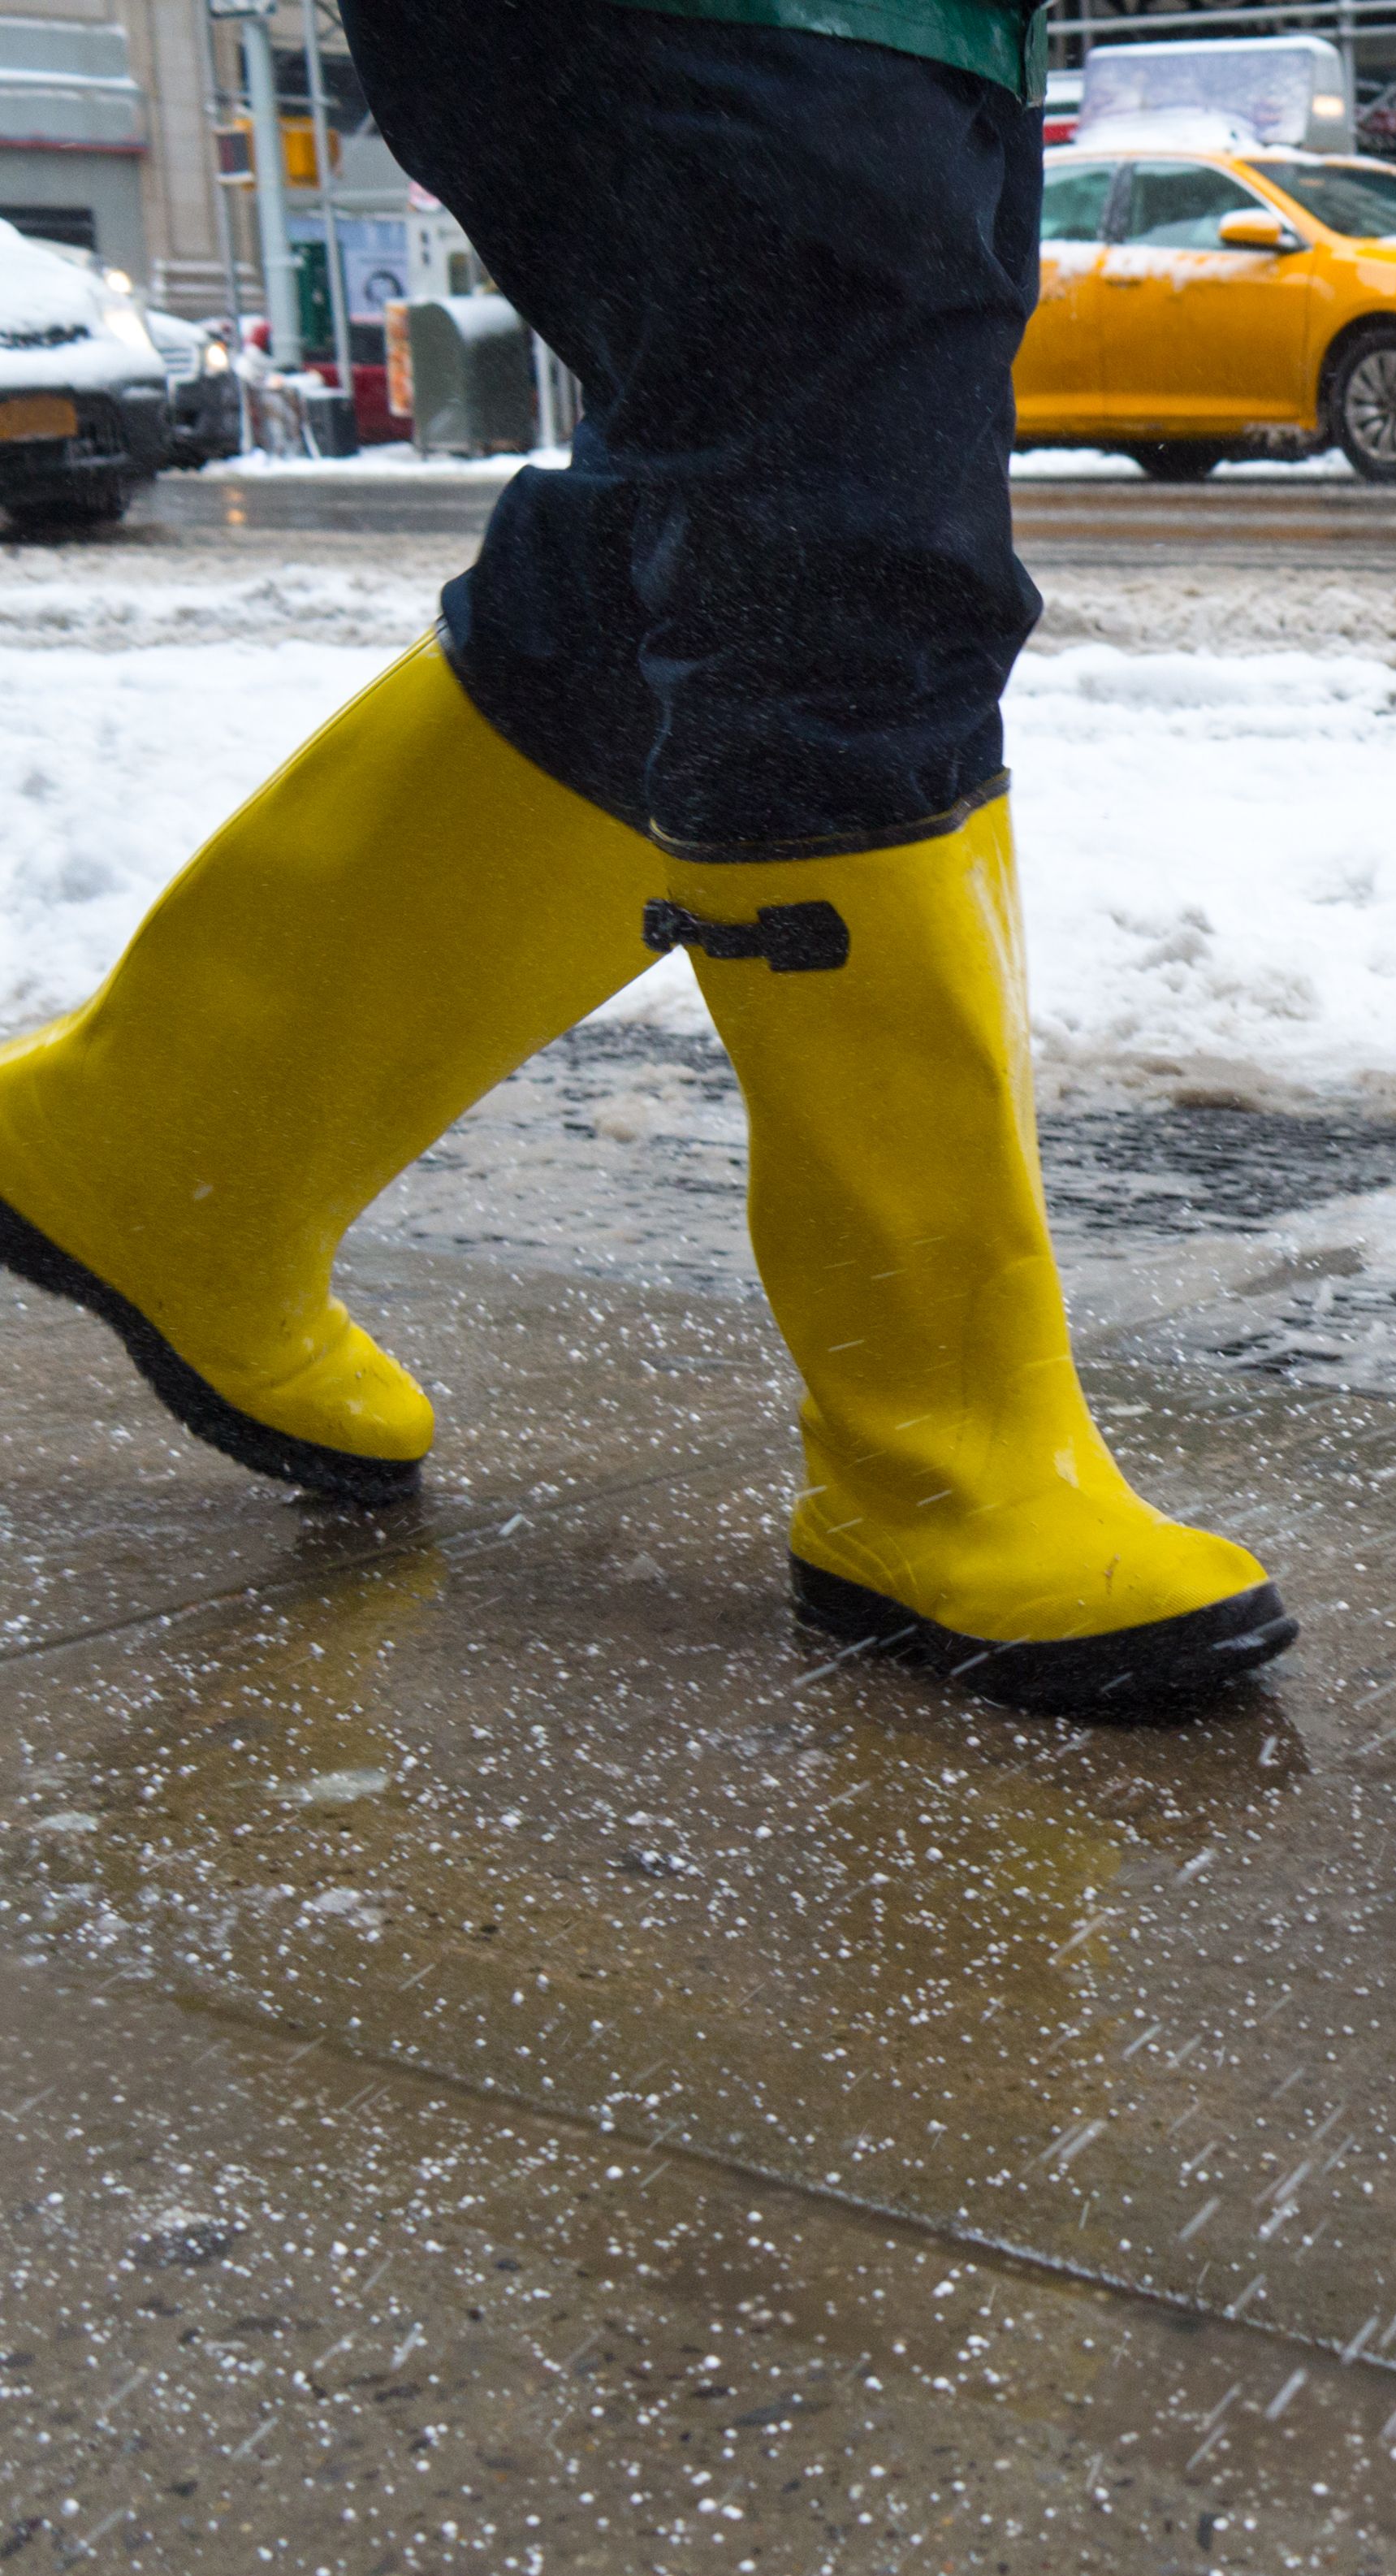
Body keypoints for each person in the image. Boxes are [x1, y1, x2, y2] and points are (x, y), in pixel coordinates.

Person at [0, 0, 1294, 1712]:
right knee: (829, 585)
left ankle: (165, 1144)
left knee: (680, 572)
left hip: (912, 29)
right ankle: (945, 1456)